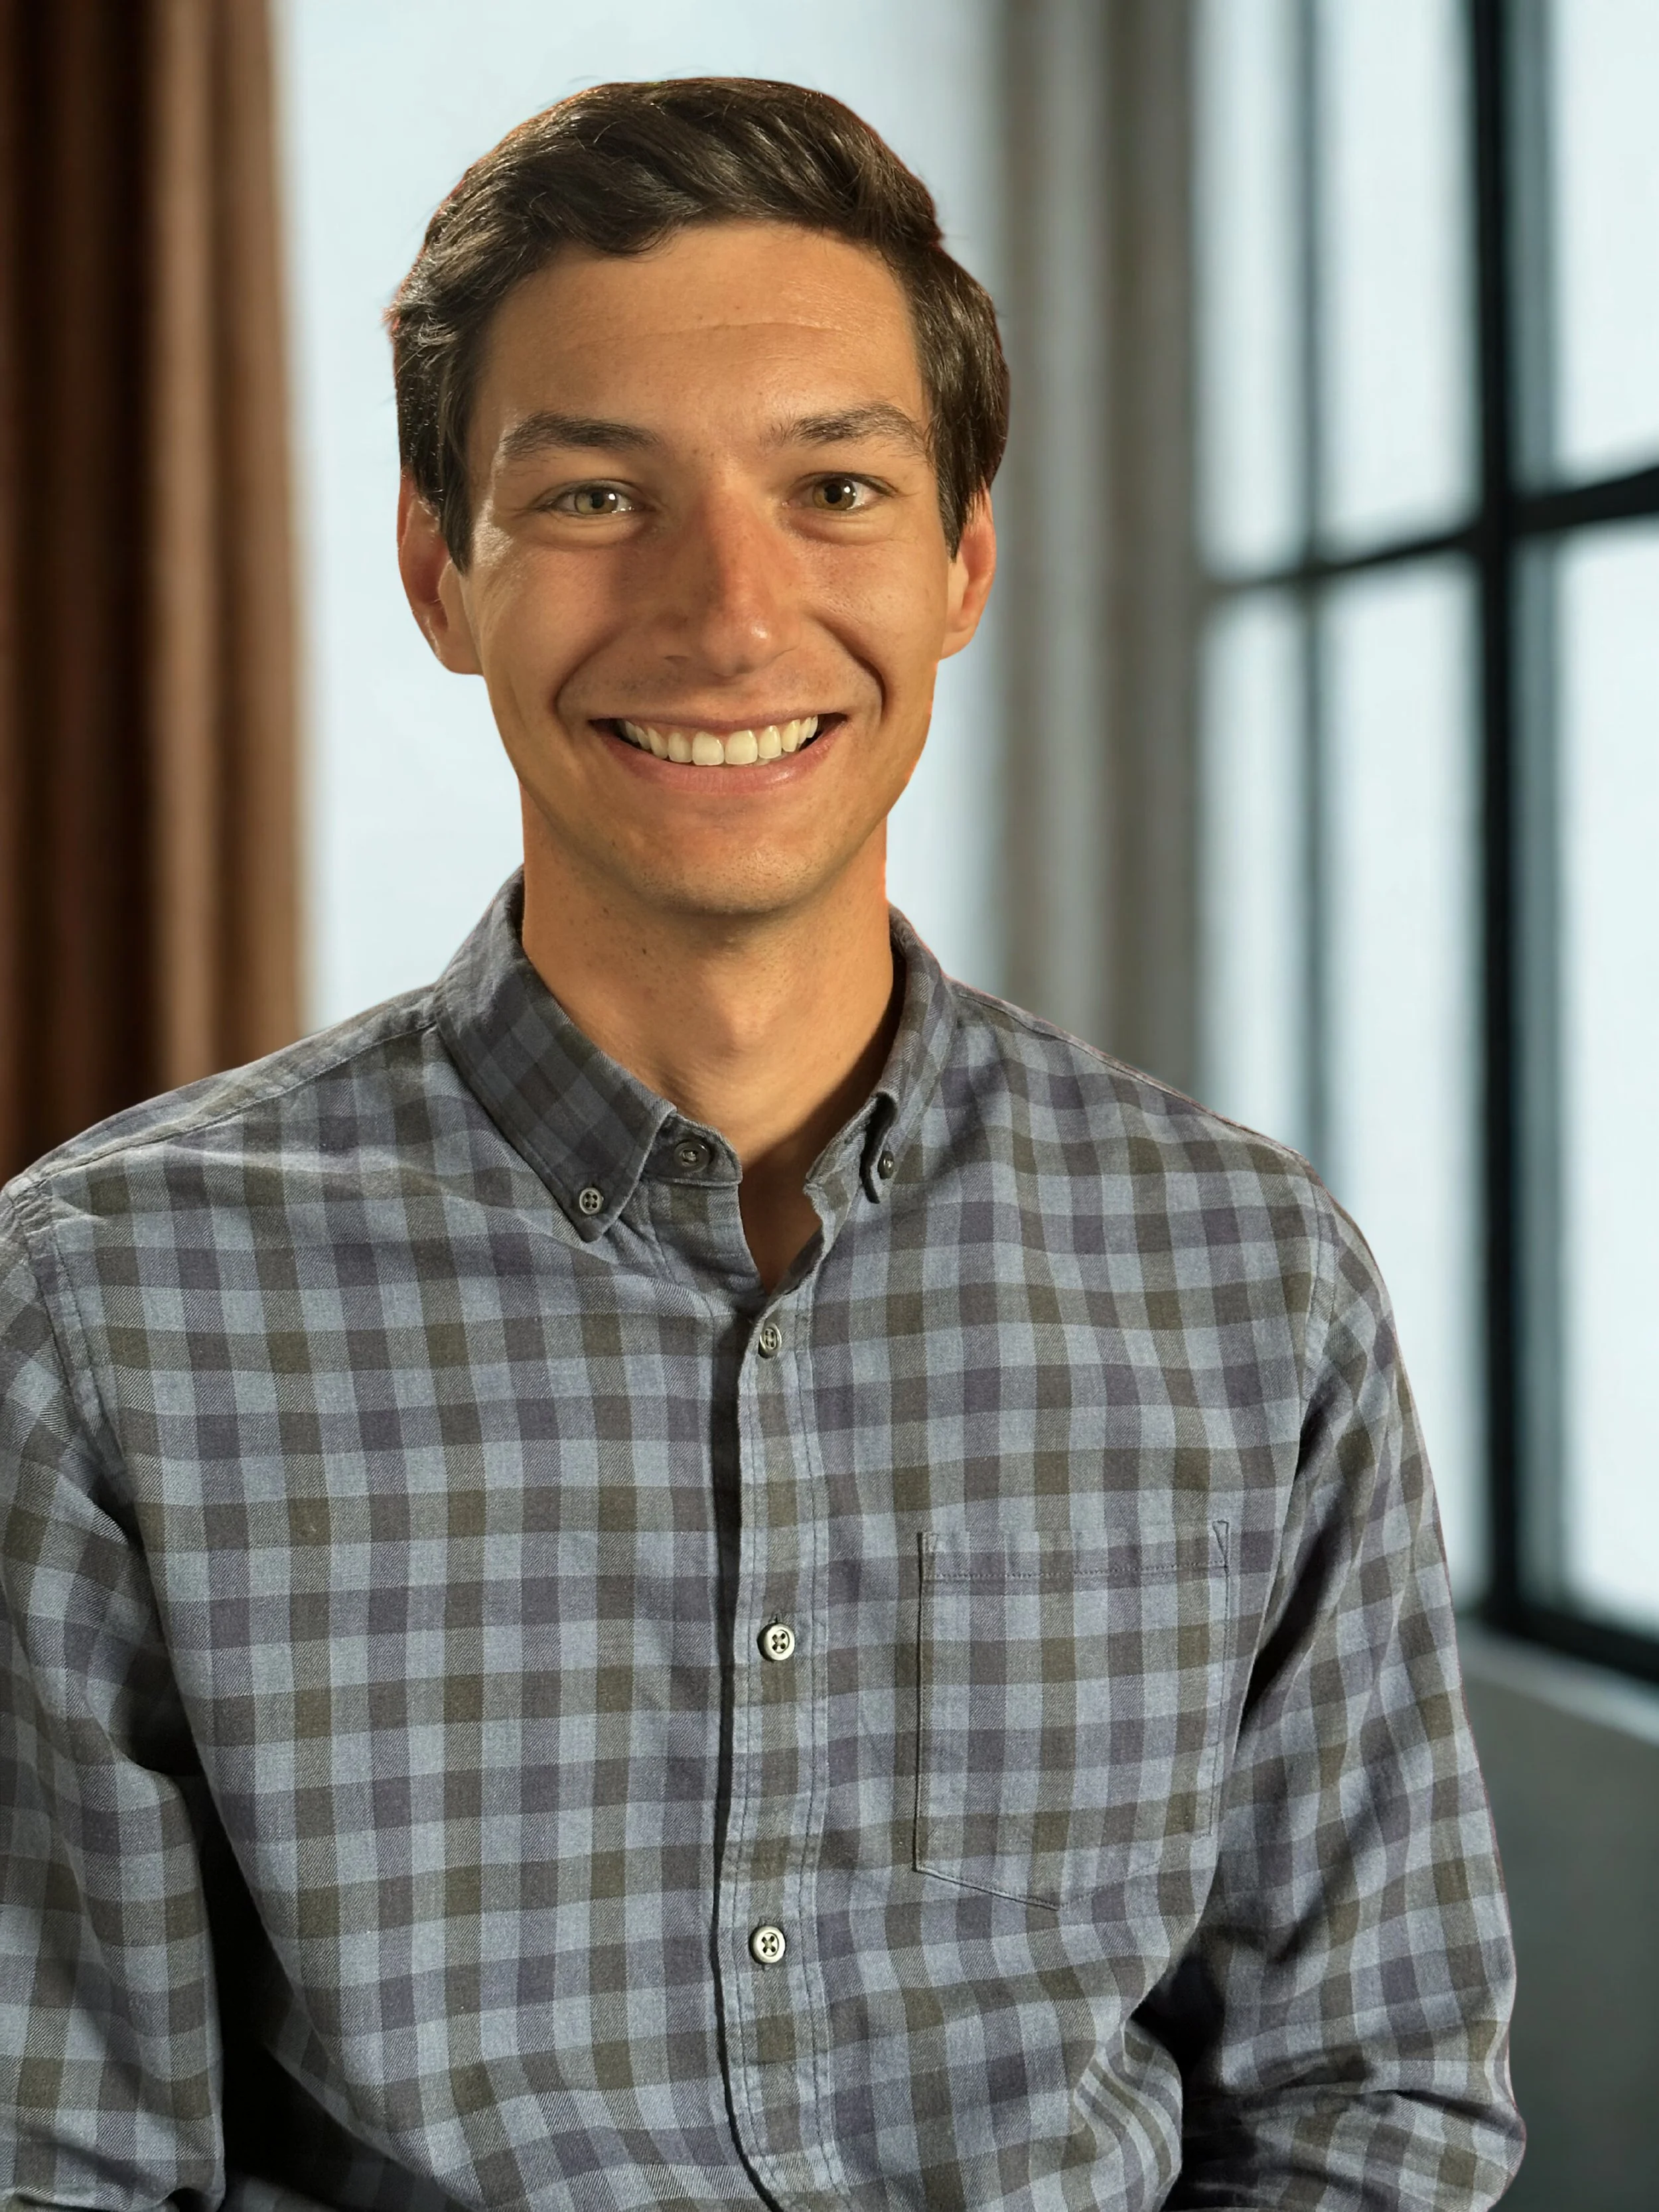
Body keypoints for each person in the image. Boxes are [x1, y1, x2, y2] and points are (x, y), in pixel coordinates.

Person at [0, 77, 1522, 2212]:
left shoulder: (1249, 1277)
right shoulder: (101, 1303)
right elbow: (54, 2159)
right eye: (599, 497)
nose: (727, 614)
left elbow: (1375, 2094)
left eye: (832, 485)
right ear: (444, 574)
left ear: (963, 559)